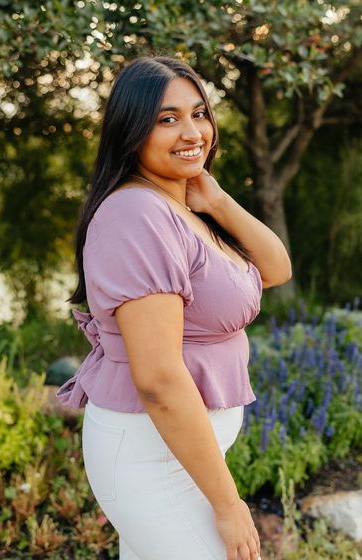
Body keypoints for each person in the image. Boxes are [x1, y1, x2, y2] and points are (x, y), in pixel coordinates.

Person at [57, 55, 292, 560]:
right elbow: (159, 379)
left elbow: (275, 269)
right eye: (168, 119)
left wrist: (219, 200)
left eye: (199, 113)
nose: (192, 131)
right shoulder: (137, 215)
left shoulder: (180, 207)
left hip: (173, 456)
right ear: (131, 130)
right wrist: (229, 505)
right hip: (149, 460)